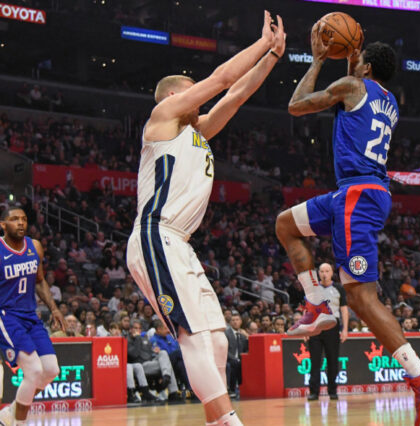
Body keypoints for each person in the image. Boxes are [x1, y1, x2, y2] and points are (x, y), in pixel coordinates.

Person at [125, 11, 285, 425]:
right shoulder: (162, 119)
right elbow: (221, 81)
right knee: (193, 337)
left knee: (217, 339)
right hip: (156, 235)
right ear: (175, 97)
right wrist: (261, 44)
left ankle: (218, 419)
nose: (202, 97)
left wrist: (273, 58)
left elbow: (235, 96)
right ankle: (227, 420)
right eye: (192, 93)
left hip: (180, 244)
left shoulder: (197, 131)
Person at [276, 21, 420, 425]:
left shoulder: (353, 88)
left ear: (365, 68)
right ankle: (316, 303)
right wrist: (353, 56)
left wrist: (316, 60)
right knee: (285, 224)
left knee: (361, 298)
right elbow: (355, 82)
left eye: (357, 61)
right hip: (353, 193)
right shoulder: (389, 101)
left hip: (358, 195)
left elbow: (297, 104)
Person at [0, 206, 67, 425]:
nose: (20, 223)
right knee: (35, 370)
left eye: (23, 219)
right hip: (6, 316)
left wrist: (54, 308)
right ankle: (19, 422)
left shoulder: (34, 246)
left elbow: (39, 280)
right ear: (3, 225)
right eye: (14, 219)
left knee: (51, 370)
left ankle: (11, 412)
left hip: (30, 315)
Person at [306, 263, 348, 401]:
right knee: (315, 361)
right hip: (315, 327)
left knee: (332, 361)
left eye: (327, 271)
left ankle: (332, 391)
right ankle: (314, 392)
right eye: (322, 271)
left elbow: (344, 310)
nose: (324, 273)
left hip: (332, 327)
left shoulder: (339, 288)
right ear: (318, 273)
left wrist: (345, 329)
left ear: (331, 273)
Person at [127, 320, 181, 401]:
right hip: (140, 366)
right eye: (135, 328)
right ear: (130, 329)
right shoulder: (127, 340)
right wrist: (137, 338)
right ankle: (172, 391)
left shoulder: (144, 338)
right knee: (167, 365)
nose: (137, 330)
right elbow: (134, 355)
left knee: (163, 353)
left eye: (139, 328)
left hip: (150, 363)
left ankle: (166, 377)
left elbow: (149, 352)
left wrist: (153, 352)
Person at [224, 313, 248, 399]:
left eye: (237, 320)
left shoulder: (242, 335)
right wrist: (234, 359)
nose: (235, 322)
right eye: (233, 320)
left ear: (241, 322)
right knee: (234, 364)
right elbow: (225, 350)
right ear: (230, 323)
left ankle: (245, 388)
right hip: (229, 359)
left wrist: (247, 336)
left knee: (243, 364)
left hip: (240, 360)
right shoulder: (226, 334)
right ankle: (231, 389)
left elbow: (247, 349)